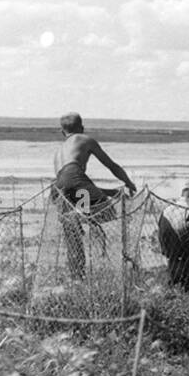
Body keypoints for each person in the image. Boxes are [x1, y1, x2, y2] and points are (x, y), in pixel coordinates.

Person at [52, 112, 137, 279]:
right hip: (75, 179)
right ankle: (81, 215)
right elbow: (111, 165)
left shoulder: (58, 152)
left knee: (73, 234)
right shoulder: (84, 139)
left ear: (62, 132)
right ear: (82, 128)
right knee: (108, 213)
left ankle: (77, 276)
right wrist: (128, 182)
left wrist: (111, 193)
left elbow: (73, 184)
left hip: (59, 186)